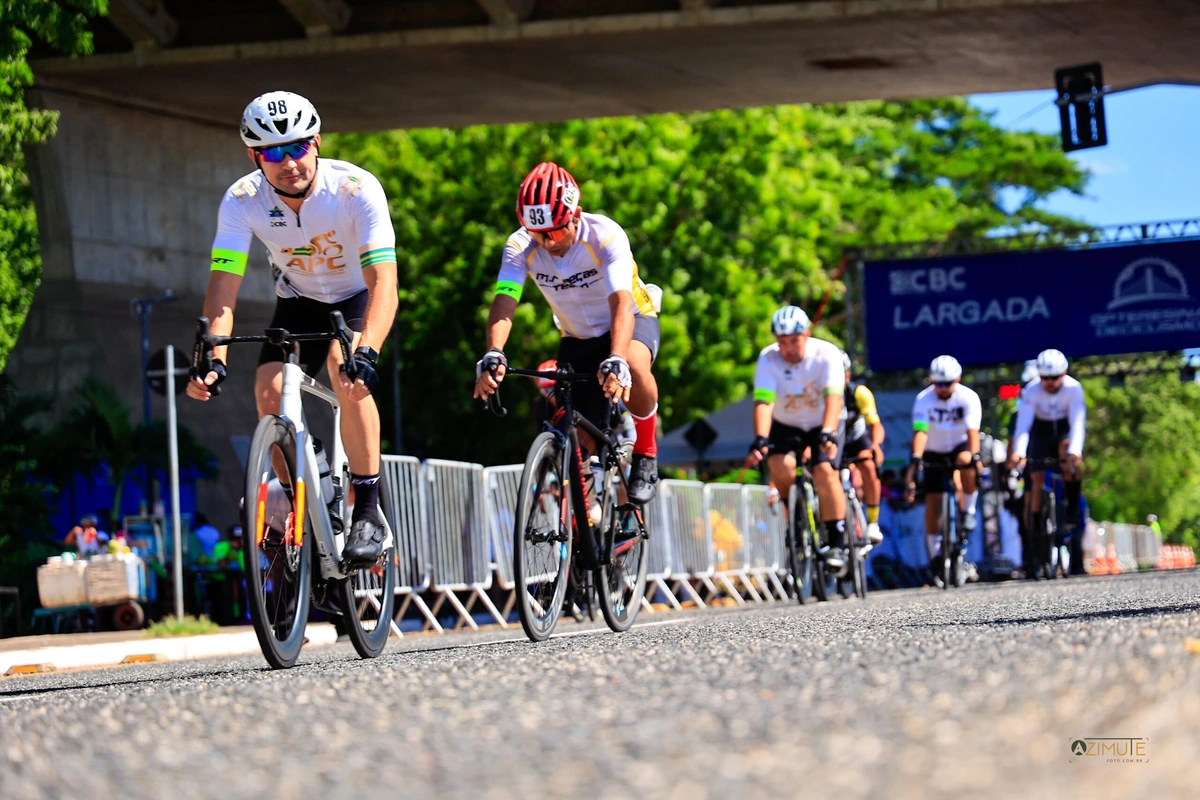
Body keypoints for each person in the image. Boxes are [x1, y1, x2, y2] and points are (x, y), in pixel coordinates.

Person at [186, 91, 397, 567]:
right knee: (267, 390)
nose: (288, 163)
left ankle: (367, 509)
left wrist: (371, 352)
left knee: (348, 372)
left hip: (357, 297)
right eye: (272, 153)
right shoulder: (242, 201)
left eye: (298, 147)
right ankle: (297, 495)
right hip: (298, 302)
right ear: (254, 157)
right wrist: (214, 358)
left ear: (317, 143)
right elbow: (223, 287)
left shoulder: (355, 189)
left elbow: (384, 281)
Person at [473, 162, 661, 505]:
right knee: (577, 440)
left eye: (556, 233)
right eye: (536, 232)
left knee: (633, 363)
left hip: (630, 320)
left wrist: (616, 357)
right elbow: (505, 300)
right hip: (577, 337)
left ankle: (646, 452)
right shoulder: (520, 246)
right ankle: (581, 536)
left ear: (576, 215)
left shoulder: (605, 236)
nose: (547, 242)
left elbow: (621, 302)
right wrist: (494, 352)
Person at [744, 305, 848, 569]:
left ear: (807, 334)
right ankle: (798, 515)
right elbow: (764, 402)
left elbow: (834, 396)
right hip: (787, 422)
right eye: (782, 343)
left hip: (823, 420)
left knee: (825, 470)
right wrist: (760, 437)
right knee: (779, 465)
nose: (788, 348)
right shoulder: (768, 358)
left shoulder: (826, 353)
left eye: (794, 341)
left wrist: (828, 432)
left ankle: (837, 541)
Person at [905, 356, 982, 583]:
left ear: (957, 379)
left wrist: (975, 456)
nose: (943, 388)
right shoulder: (923, 400)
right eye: (938, 383)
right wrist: (917, 457)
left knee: (967, 461)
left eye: (948, 383)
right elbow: (921, 431)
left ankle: (968, 511)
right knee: (933, 501)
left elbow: (972, 433)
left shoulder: (968, 397)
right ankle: (935, 551)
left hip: (959, 445)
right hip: (933, 449)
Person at [1005, 348, 1086, 533]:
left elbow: (1077, 424)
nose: (1049, 382)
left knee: (1068, 459)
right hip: (1040, 431)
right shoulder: (1031, 391)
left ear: (1063, 374)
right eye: (1045, 378)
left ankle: (1072, 506)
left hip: (1064, 430)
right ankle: (1035, 526)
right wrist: (1019, 452)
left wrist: (1075, 451)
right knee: (1036, 477)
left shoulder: (1073, 388)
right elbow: (1023, 426)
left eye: (1054, 377)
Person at [840, 351, 885, 544]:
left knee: (868, 465)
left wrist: (875, 445)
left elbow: (875, 425)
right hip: (834, 441)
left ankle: (873, 521)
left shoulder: (859, 393)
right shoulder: (817, 393)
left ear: (847, 375)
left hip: (856, 439)